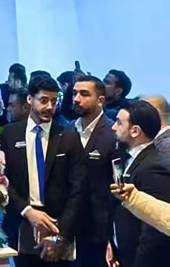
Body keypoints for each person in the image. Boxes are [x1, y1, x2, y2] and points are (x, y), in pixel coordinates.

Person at [0, 73, 86, 266]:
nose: (49, 107)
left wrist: (61, 236)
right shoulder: (10, 134)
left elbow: (78, 189)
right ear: (30, 99)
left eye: (54, 101)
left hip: (58, 225)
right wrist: (26, 210)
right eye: (44, 100)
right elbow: (3, 179)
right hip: (22, 221)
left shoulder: (68, 136)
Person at [109, 99, 170, 267]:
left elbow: (153, 231)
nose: (113, 127)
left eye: (119, 123)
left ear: (135, 131)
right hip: (122, 254)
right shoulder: (126, 157)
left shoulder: (154, 167)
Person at [72, 75, 117, 267]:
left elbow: (116, 187)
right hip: (69, 226)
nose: (76, 99)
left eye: (84, 94)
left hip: (99, 231)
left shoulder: (113, 134)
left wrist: (111, 236)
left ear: (100, 100)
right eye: (74, 93)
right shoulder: (67, 130)